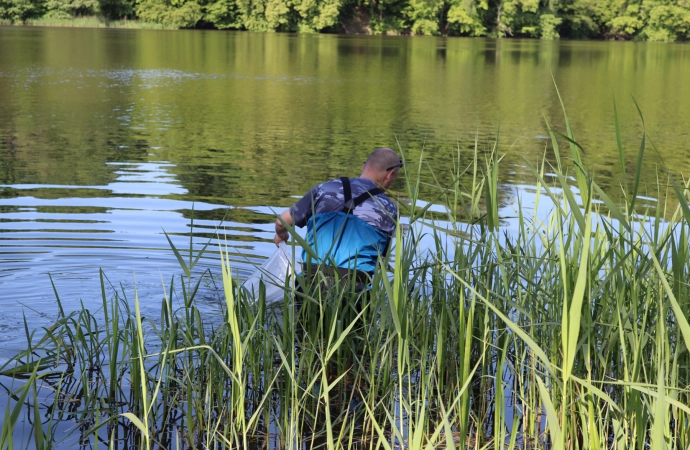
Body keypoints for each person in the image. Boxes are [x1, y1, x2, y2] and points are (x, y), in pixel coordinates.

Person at [273, 147, 402, 290]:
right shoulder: (389, 208)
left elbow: (281, 222)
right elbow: (380, 257)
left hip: (311, 280)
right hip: (354, 286)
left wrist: (281, 235)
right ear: (390, 174)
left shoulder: (325, 189)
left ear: (363, 166)